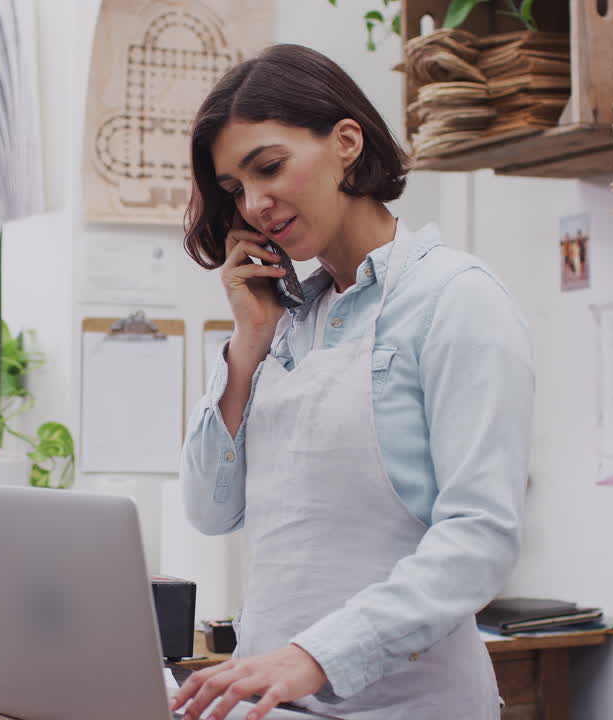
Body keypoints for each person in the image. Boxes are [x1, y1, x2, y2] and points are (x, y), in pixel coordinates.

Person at [173, 44, 534, 720]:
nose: (254, 204)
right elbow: (209, 510)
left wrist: (315, 656)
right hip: (272, 705)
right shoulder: (281, 319)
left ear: (346, 142)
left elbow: (481, 538)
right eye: (234, 190)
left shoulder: (455, 299)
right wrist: (246, 347)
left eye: (269, 167)